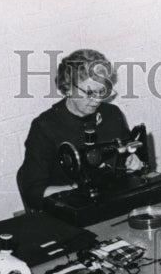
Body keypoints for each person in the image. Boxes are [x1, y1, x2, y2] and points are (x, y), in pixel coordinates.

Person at [16, 48, 139, 210]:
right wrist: (79, 190)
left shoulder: (111, 114)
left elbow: (128, 152)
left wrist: (134, 161)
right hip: (69, 212)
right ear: (67, 88)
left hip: (112, 205)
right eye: (89, 93)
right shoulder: (45, 127)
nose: (97, 100)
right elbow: (33, 192)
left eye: (102, 91)